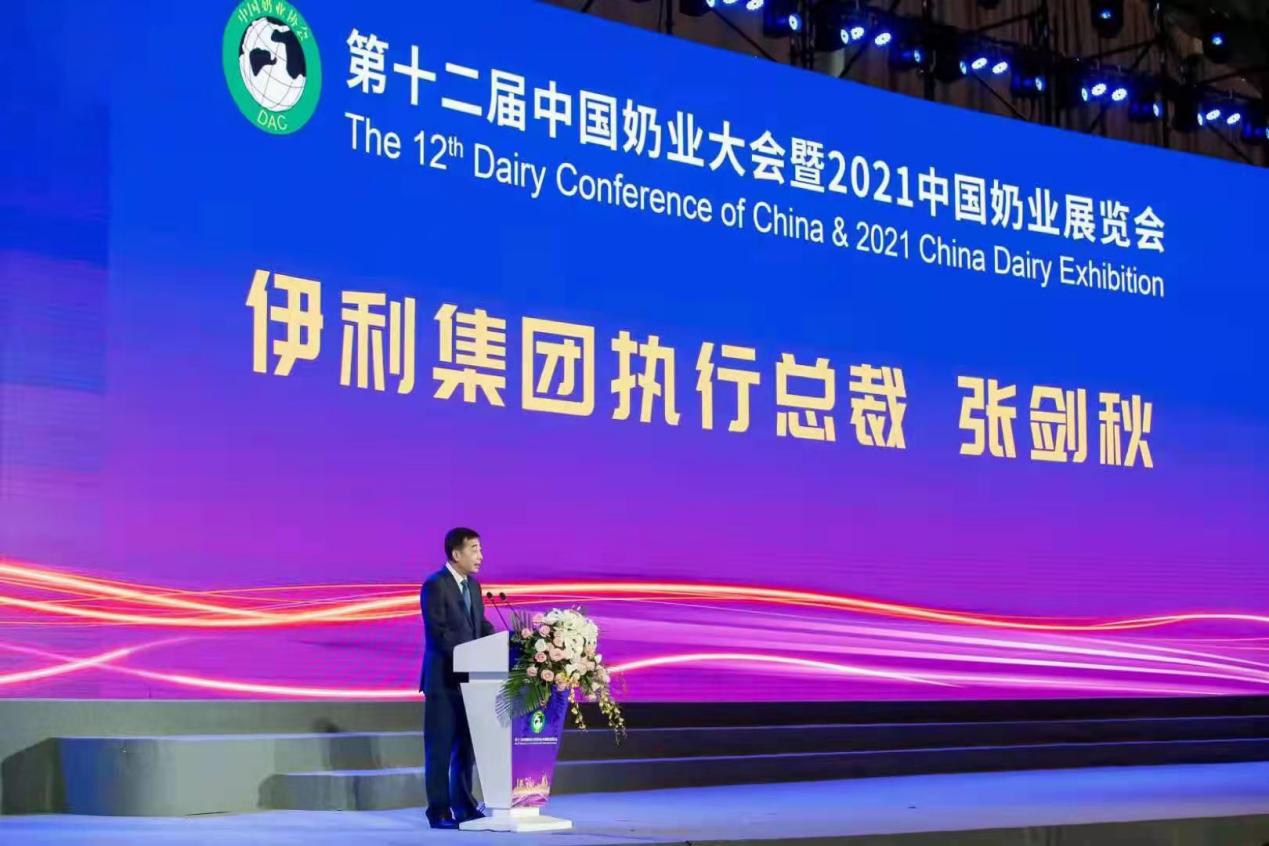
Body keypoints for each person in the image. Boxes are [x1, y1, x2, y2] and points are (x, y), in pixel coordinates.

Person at [419, 527, 496, 830]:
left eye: (480, 549)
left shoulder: (473, 586)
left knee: (466, 748)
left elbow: (480, 626)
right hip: (443, 681)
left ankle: (464, 806)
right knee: (439, 749)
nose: (481, 556)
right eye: (474, 549)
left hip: (471, 682)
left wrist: (508, 641)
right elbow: (438, 632)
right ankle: (438, 811)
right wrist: (471, 654)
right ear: (456, 553)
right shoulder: (435, 585)